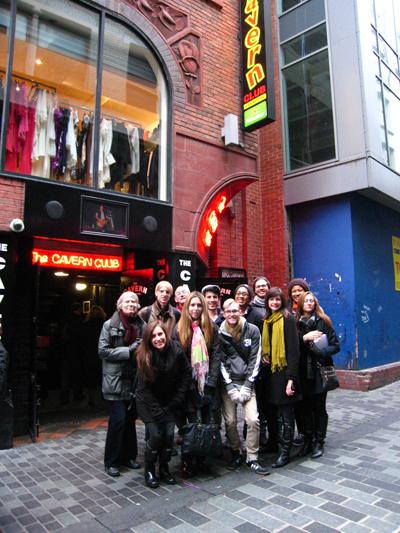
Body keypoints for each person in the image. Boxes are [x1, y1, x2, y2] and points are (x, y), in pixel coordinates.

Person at [136, 322, 191, 488]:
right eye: (153, 336)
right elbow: (144, 389)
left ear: (166, 335)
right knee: (156, 435)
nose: (158, 338)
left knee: (168, 436)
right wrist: (157, 412)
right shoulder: (144, 356)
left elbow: (186, 373)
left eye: (160, 334)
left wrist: (179, 398)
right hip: (148, 401)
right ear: (148, 339)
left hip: (169, 400)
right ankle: (150, 469)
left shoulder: (176, 350)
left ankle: (164, 468)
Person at [174, 291, 221, 477]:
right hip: (188, 386)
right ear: (187, 308)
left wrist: (209, 386)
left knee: (208, 421)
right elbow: (181, 361)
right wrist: (193, 389)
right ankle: (188, 459)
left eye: (198, 305)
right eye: (192, 305)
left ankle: (203, 458)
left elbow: (216, 357)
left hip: (208, 384)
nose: (195, 309)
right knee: (192, 423)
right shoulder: (179, 330)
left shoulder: (211, 328)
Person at [98, 292, 146, 477]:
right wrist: (128, 350)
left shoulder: (141, 325)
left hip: (134, 381)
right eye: (127, 301)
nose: (131, 304)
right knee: (117, 421)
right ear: (120, 305)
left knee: (130, 420)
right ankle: (111, 461)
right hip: (115, 381)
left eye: (134, 301)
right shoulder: (109, 325)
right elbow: (103, 351)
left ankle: (129, 457)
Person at [219, 299, 269, 475]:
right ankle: (236, 452)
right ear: (223, 313)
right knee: (230, 421)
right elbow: (221, 362)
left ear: (240, 311)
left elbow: (256, 358)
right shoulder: (220, 333)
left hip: (248, 382)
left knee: (253, 420)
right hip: (229, 384)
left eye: (235, 311)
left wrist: (248, 384)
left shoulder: (252, 330)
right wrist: (230, 386)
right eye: (228, 311)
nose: (232, 314)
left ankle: (252, 457)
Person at [296, 291, 340, 458]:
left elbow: (335, 346)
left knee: (319, 408)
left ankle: (319, 442)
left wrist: (320, 351)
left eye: (311, 301)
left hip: (320, 371)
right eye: (306, 301)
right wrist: (304, 338)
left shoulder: (324, 321)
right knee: (305, 408)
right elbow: (292, 347)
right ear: (301, 304)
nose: (309, 303)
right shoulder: (295, 323)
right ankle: (308, 441)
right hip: (303, 373)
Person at [261, 287, 301, 468]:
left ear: (282, 301)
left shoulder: (288, 319)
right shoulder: (266, 320)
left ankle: (286, 451)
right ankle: (272, 444)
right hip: (270, 373)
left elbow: (293, 351)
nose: (274, 303)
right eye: (271, 300)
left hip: (284, 373)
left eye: (277, 299)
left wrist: (291, 379)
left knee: (286, 415)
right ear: (267, 302)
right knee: (270, 412)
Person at [287, 278, 310, 446]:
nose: (296, 293)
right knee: (297, 401)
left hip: (308, 361)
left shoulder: (310, 307)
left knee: (309, 401)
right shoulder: (288, 310)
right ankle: (302, 432)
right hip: (294, 360)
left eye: (299, 290)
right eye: (294, 291)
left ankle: (311, 433)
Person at [59, 302, 85, 404]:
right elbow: (82, 338)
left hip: (65, 351)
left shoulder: (64, 321)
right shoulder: (79, 322)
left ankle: (64, 397)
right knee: (76, 375)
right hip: (76, 352)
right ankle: (77, 395)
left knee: (65, 376)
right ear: (78, 310)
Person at [83, 305, 107, 406]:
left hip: (89, 353)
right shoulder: (104, 325)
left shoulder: (86, 325)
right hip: (102, 353)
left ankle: (91, 397)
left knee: (90, 377)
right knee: (103, 375)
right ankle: (104, 395)